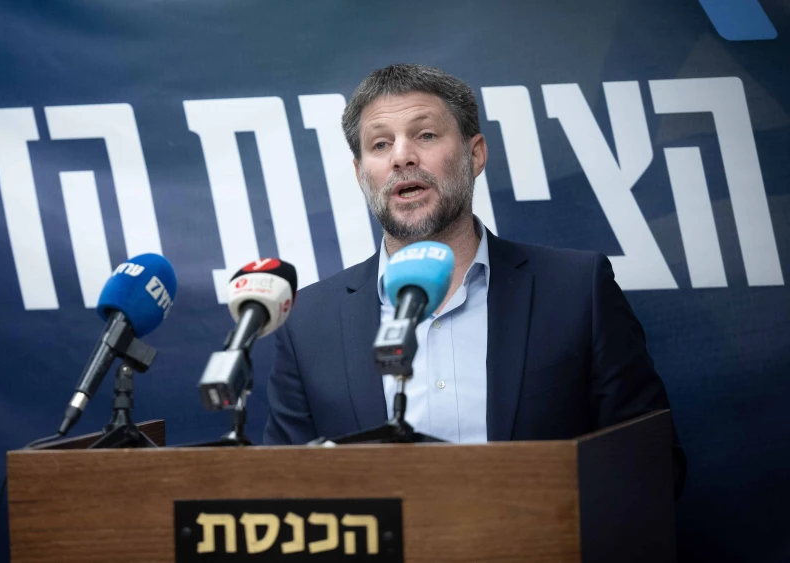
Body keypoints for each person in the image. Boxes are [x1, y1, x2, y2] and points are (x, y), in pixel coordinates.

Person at [263, 63, 684, 490]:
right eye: (380, 144)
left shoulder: (577, 290)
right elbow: (282, 492)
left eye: (425, 135)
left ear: (475, 153)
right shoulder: (308, 322)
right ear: (360, 173)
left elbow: (650, 466)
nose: (402, 156)